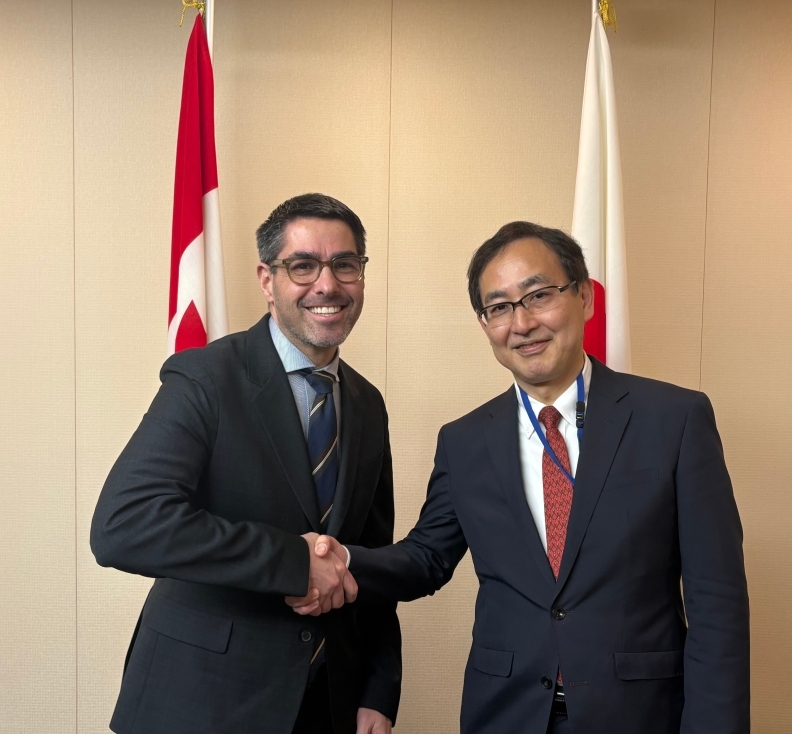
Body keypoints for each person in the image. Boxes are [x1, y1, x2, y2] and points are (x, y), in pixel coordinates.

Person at [293, 221, 750, 734]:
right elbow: (426, 558)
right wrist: (342, 559)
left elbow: (717, 603)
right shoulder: (464, 441)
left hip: (639, 714)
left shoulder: (674, 420)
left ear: (584, 297)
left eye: (539, 296)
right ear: (485, 323)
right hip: (506, 713)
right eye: (500, 307)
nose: (523, 323)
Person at [91, 193, 400, 734]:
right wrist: (292, 561)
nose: (327, 284)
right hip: (201, 701)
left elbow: (372, 558)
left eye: (345, 264)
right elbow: (125, 525)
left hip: (327, 701)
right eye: (302, 266)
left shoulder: (367, 402)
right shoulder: (204, 378)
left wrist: (378, 689)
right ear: (267, 280)